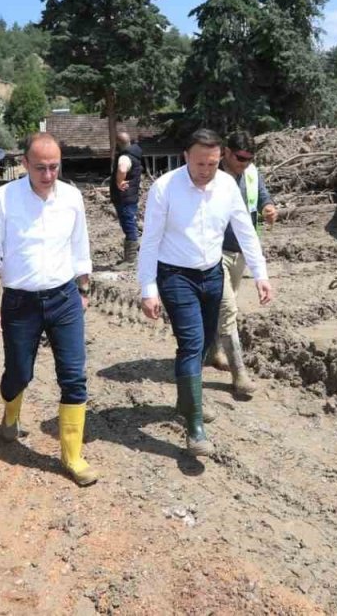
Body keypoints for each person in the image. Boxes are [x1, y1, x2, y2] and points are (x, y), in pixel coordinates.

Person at [137, 129, 274, 458]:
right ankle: (195, 426)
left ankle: (187, 399)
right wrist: (148, 289)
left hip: (212, 273)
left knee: (205, 344)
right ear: (186, 156)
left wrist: (261, 274)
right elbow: (150, 240)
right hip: (174, 275)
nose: (206, 170)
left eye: (212, 164)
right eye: (200, 163)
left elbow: (245, 230)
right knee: (191, 342)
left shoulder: (227, 186)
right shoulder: (165, 187)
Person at [0, 132, 97, 486]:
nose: (48, 175)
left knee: (74, 376)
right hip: (20, 301)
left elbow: (80, 245)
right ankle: (10, 415)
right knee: (19, 374)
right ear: (24, 164)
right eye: (41, 168)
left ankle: (72, 456)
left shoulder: (72, 197)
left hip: (64, 298)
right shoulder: (3, 199)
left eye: (54, 167)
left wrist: (83, 287)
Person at [205, 131, 277, 399]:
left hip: (241, 251)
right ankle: (240, 373)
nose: (244, 163)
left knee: (224, 303)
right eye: (240, 158)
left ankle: (212, 349)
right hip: (215, 252)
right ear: (226, 152)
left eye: (249, 158)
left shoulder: (251, 173)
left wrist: (269, 208)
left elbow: (262, 197)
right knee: (228, 307)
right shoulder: (211, 175)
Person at [110, 131, 142, 264]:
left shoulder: (125, 157)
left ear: (118, 143)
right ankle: (133, 256)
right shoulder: (135, 154)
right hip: (130, 197)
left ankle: (130, 261)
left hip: (124, 198)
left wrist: (119, 182)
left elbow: (122, 169)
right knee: (130, 225)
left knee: (129, 226)